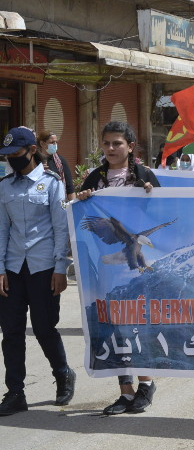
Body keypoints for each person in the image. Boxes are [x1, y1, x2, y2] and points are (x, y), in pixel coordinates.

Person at [76, 121, 159, 415]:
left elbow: (164, 210)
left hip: (137, 270)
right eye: (107, 143)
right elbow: (80, 219)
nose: (111, 148)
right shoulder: (94, 178)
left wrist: (151, 196)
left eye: (117, 143)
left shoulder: (145, 176)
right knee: (116, 326)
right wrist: (80, 200)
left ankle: (146, 383)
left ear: (130, 146)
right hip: (108, 268)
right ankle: (125, 392)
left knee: (139, 323)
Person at [0, 127, 75, 416]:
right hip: (13, 268)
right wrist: (0, 269)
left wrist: (61, 268)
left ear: (32, 150)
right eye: (7, 155)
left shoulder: (52, 183)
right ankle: (15, 392)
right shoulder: (5, 186)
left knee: (44, 328)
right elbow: (2, 230)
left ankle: (62, 373)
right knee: (12, 332)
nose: (11, 159)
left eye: (16, 153)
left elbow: (60, 228)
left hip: (44, 267)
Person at [36, 131, 76, 200]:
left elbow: (70, 188)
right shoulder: (35, 161)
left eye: (56, 142)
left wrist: (73, 204)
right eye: (52, 142)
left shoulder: (60, 161)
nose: (55, 145)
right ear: (42, 144)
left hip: (58, 200)